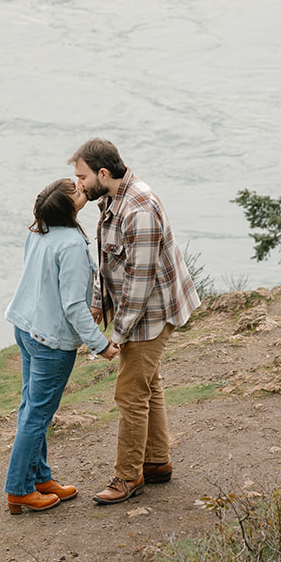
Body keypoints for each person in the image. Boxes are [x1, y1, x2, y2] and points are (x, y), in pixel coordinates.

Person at [70, 138, 200, 504]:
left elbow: (139, 282)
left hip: (153, 311)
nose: (78, 184)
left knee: (129, 392)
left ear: (103, 173)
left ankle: (128, 477)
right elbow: (109, 260)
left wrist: (119, 334)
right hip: (143, 306)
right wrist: (98, 302)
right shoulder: (111, 197)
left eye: (81, 176)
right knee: (148, 382)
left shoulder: (138, 210)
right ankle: (157, 462)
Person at [3, 178, 119, 514]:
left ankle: (39, 478)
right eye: (79, 192)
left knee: (31, 409)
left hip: (25, 327)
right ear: (69, 209)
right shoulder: (70, 245)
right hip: (49, 340)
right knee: (37, 415)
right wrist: (101, 346)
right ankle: (19, 489)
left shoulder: (39, 231)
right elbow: (73, 306)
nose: (84, 189)